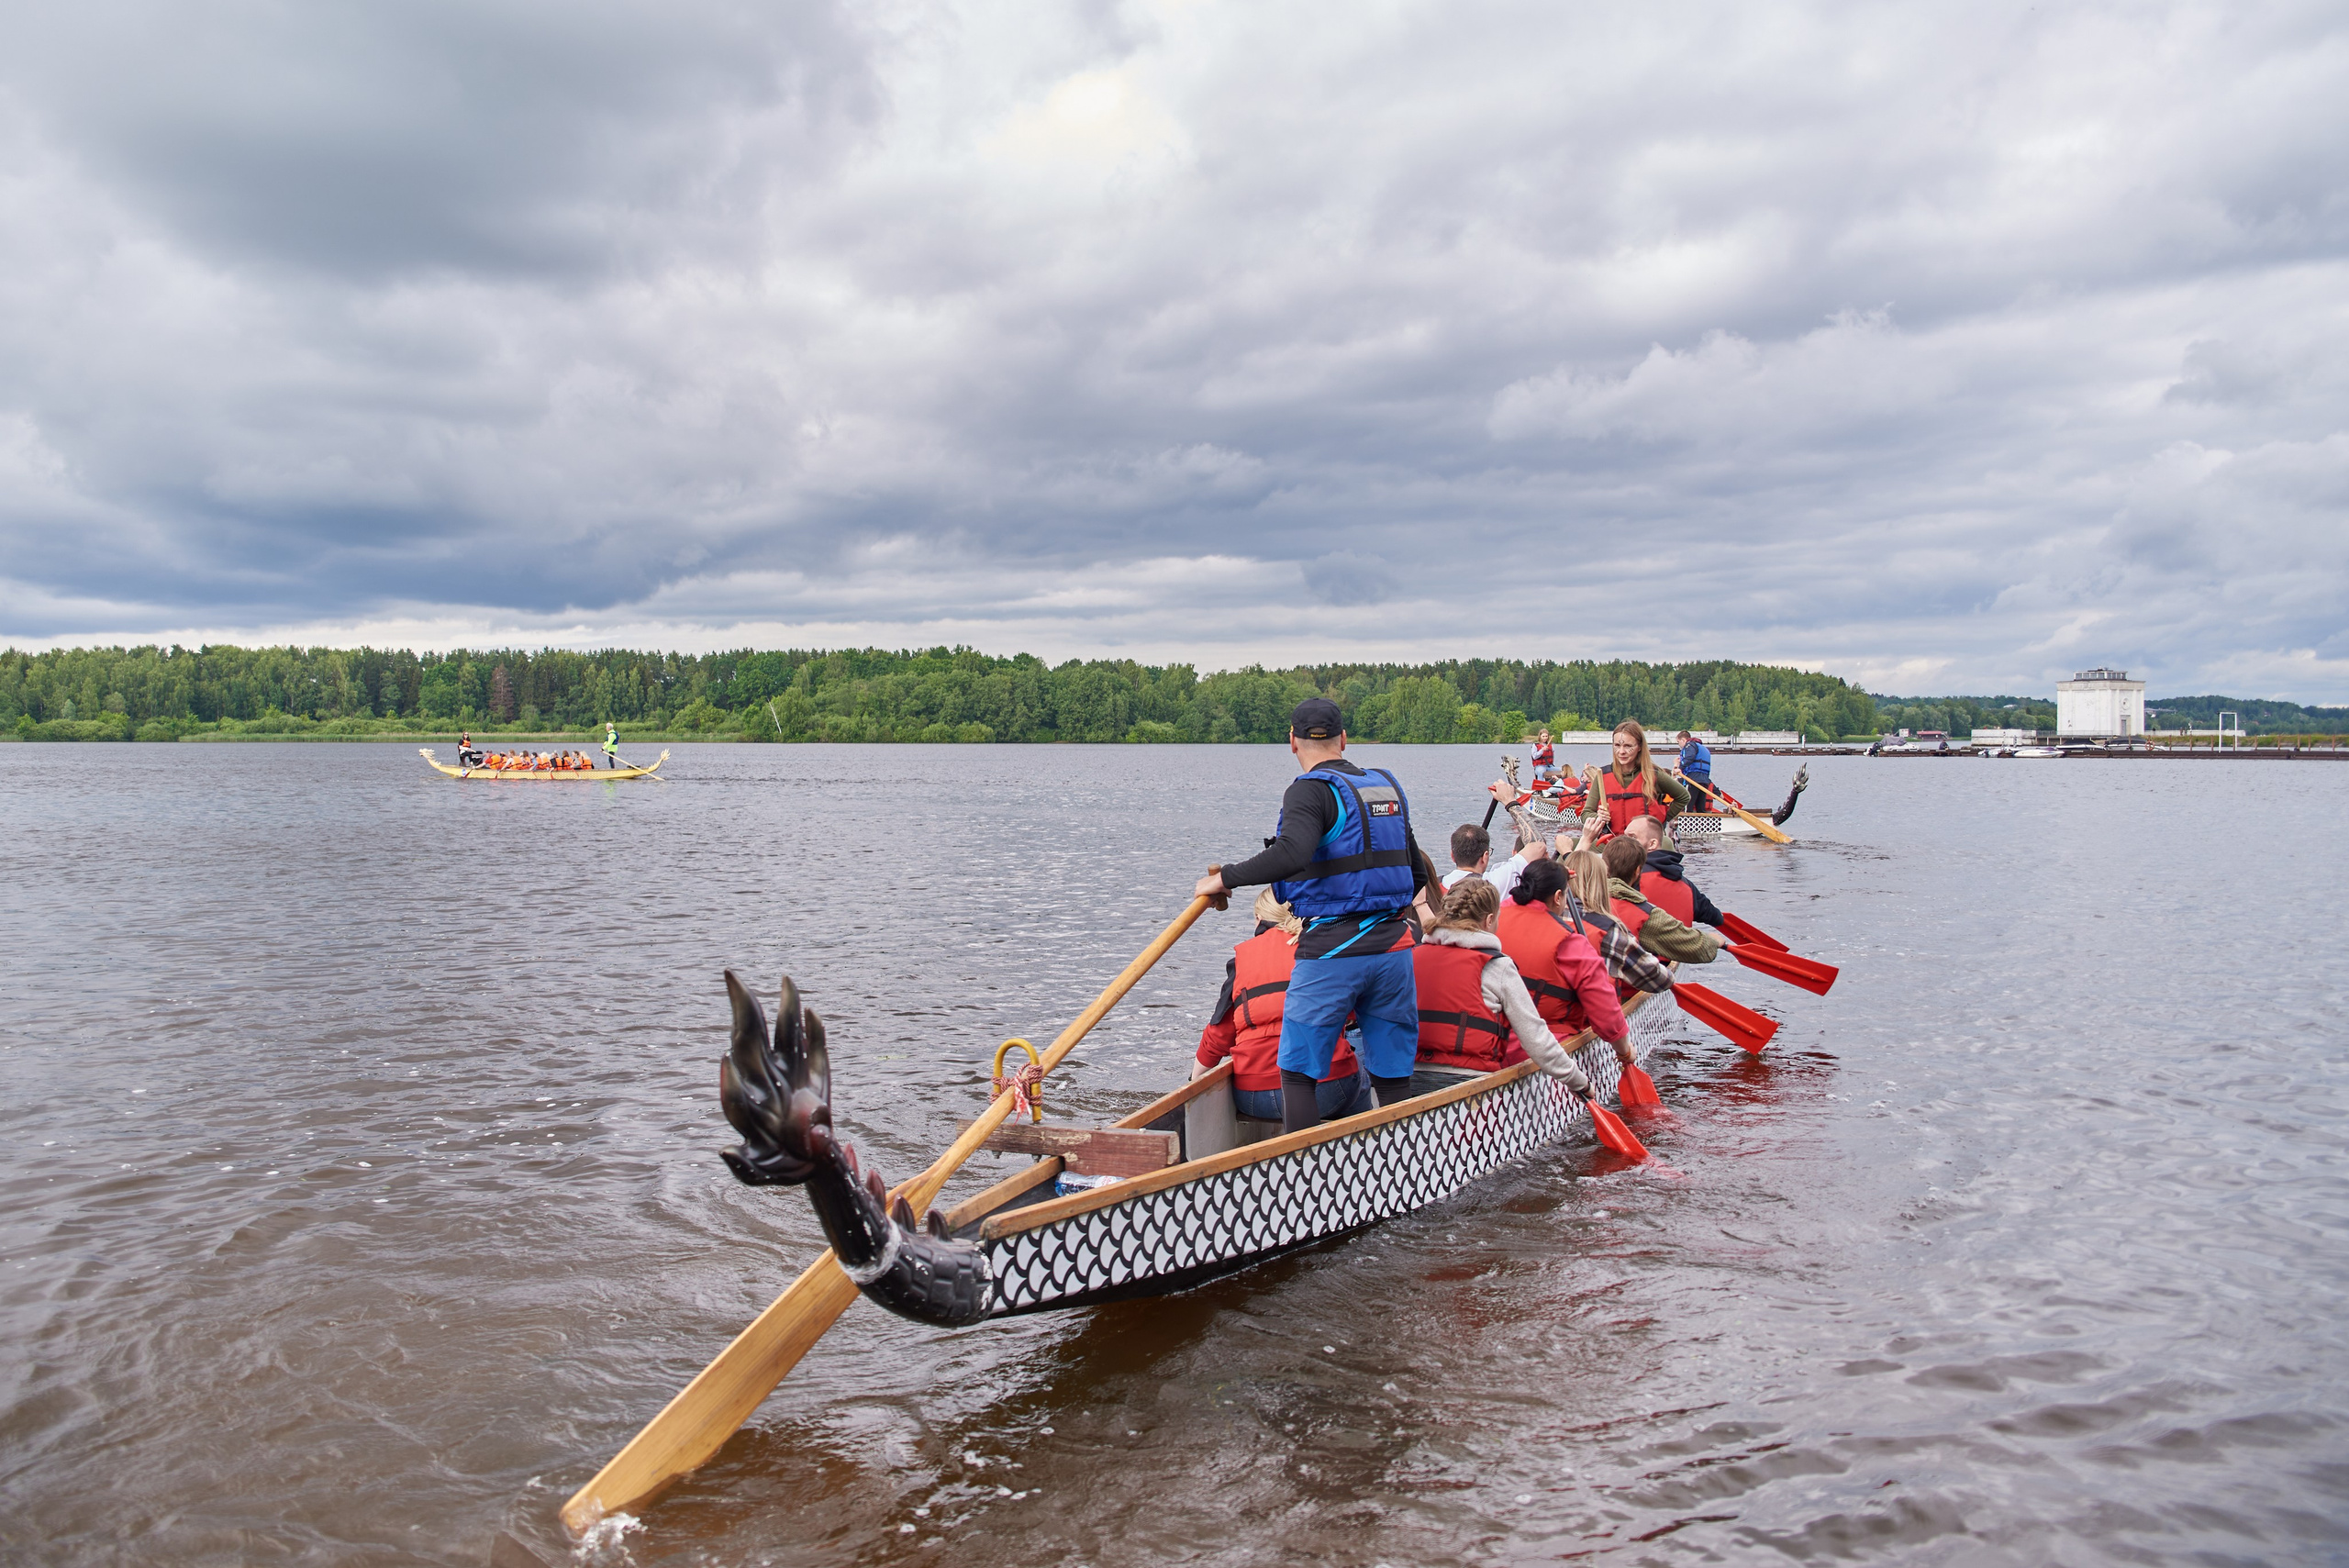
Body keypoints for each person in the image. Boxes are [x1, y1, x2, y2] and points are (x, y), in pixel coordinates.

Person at [1195, 697, 1433, 1132]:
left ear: (1292, 742)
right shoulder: (1386, 787)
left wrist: (1225, 878)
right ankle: (1403, 1161)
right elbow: (1415, 872)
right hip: (1394, 948)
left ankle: (1299, 1176)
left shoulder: (1308, 789)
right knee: (1393, 1070)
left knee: (1299, 1071)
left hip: (1332, 951)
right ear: (1344, 739)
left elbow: (1291, 854)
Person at [1193, 890, 1376, 1123]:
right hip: (1328, 1088)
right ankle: (1357, 1146)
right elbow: (1351, 1013)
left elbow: (1219, 1035)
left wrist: (1193, 1081)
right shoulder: (1326, 949)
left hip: (1253, 1095)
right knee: (1359, 1072)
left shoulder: (1241, 960)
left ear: (1259, 919)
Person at [1413, 878, 1594, 1093]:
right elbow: (1536, 1039)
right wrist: (1579, 1083)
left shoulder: (1414, 956)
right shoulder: (1498, 966)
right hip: (1471, 1084)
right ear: (1489, 920)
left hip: (1412, 1075)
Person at [1493, 861, 1631, 1063]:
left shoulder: (1493, 917)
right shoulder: (1569, 942)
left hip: (1489, 1045)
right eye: (1566, 895)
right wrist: (1624, 1051)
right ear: (1558, 897)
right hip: (1543, 1051)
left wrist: (1550, 875)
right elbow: (1606, 1013)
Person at [1601, 837, 1720, 964]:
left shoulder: (1582, 898)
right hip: (1640, 972)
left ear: (1604, 867)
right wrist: (1714, 942)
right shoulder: (1646, 915)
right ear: (1637, 871)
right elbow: (1702, 944)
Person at [1578, 720, 1692, 848]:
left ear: (1639, 747)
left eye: (1628, 746)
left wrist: (1661, 819)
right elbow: (1586, 813)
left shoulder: (1654, 775)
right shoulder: (1602, 776)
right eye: (1617, 745)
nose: (1621, 751)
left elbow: (1683, 797)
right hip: (1612, 844)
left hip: (1644, 847)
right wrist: (1598, 817)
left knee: (1666, 844)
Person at [1621, 816, 1724, 930]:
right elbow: (1718, 918)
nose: (1623, 843)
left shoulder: (1629, 878)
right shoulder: (1687, 885)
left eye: (1632, 837)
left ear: (1652, 844)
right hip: (1683, 946)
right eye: (1624, 836)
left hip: (1642, 947)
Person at [1675, 729, 1715, 812]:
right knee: (1700, 807)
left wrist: (1680, 767)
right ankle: (1702, 823)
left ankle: (1686, 823)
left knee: (1688, 805)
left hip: (1693, 778)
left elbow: (1690, 757)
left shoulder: (1689, 745)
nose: (1679, 745)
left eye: (1678, 742)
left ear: (1683, 740)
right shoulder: (1703, 748)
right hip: (1704, 779)